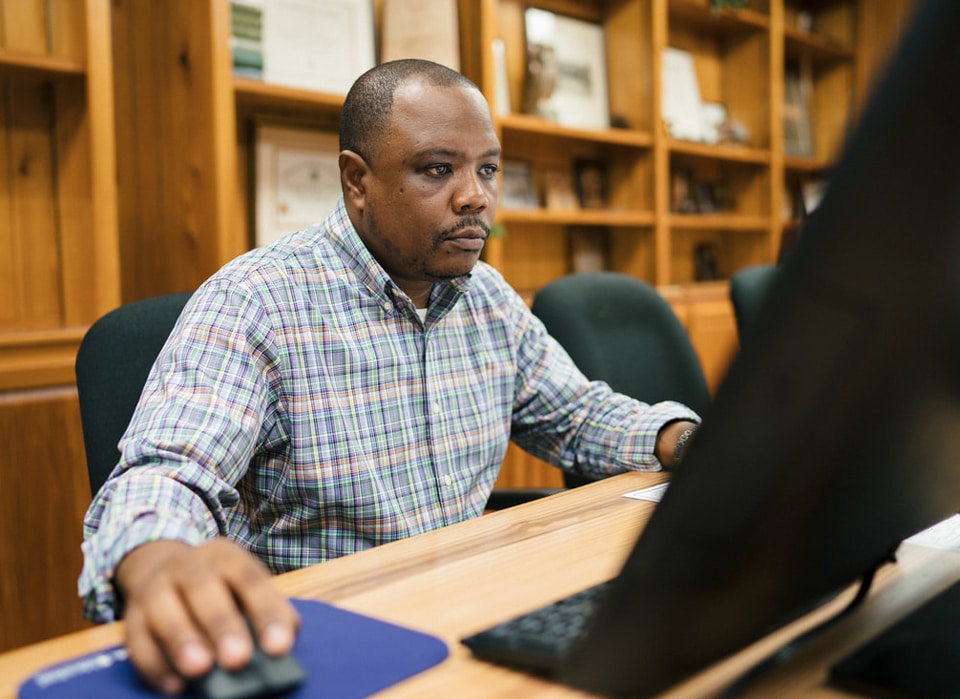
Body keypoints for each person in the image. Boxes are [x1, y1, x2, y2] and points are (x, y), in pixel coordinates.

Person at [79, 58, 700, 694]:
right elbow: (167, 474)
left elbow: (572, 414)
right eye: (438, 169)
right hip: (322, 645)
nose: (475, 196)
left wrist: (681, 438)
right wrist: (157, 558)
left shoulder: (485, 296)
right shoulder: (258, 300)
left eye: (487, 169)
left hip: (462, 621)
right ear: (357, 180)